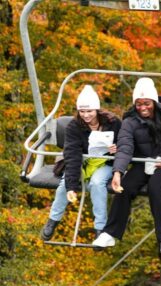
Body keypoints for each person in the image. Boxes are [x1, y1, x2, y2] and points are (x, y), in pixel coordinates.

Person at [92, 77, 161, 254]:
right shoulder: (130, 122)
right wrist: (118, 172)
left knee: (155, 187)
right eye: (138, 104)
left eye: (146, 103)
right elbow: (125, 147)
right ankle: (110, 233)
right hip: (141, 163)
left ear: (154, 102)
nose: (143, 108)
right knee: (124, 188)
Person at [41, 85, 121, 241]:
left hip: (105, 162)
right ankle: (53, 220)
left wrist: (116, 149)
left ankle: (100, 228)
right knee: (64, 185)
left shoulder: (113, 122)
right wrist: (71, 186)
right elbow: (72, 155)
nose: (86, 115)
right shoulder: (74, 126)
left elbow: (125, 143)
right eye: (82, 111)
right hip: (83, 161)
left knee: (97, 184)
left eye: (89, 111)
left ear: (97, 109)